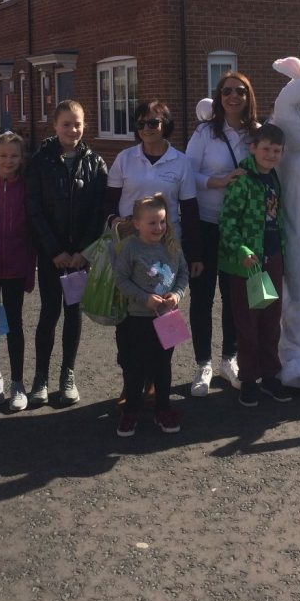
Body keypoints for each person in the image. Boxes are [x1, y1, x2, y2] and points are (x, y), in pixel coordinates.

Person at [105, 99, 203, 401]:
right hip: (128, 249)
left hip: (166, 250)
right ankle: (131, 381)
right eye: (141, 123)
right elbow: (109, 202)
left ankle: (154, 383)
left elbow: (189, 208)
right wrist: (115, 223)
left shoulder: (181, 161)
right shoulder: (124, 158)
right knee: (129, 322)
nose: (146, 128)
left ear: (166, 126)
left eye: (153, 123)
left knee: (163, 316)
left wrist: (195, 253)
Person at [25, 99, 107, 407]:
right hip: (52, 256)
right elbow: (33, 210)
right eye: (66, 124)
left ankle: (67, 373)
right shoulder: (40, 162)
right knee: (49, 313)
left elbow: (100, 212)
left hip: (79, 258)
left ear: (85, 125)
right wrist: (55, 251)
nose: (72, 129)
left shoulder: (96, 163)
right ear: (55, 126)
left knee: (73, 314)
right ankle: (41, 377)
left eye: (78, 124)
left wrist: (83, 252)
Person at [185, 73, 259, 397]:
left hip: (239, 228)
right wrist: (219, 181)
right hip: (205, 223)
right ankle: (203, 363)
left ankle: (230, 359)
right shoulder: (205, 132)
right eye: (226, 91)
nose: (233, 96)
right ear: (218, 97)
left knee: (233, 296)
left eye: (239, 91)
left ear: (248, 95)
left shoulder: (255, 133)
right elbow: (188, 175)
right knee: (202, 297)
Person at [218, 123, 292, 407]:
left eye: (276, 150)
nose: (271, 155)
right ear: (253, 148)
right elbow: (227, 222)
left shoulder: (273, 178)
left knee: (272, 321)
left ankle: (270, 375)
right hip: (246, 263)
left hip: (272, 257)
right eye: (266, 149)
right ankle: (248, 379)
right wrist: (242, 251)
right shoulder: (242, 180)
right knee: (248, 323)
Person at [112, 194, 189, 437]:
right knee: (134, 367)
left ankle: (163, 409)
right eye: (152, 223)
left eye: (162, 222)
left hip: (166, 320)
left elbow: (182, 275)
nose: (159, 228)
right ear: (136, 224)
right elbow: (120, 279)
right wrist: (144, 298)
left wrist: (176, 295)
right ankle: (131, 412)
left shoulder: (172, 247)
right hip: (135, 319)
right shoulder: (130, 248)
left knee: (162, 367)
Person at [0, 131, 37, 411]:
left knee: (15, 325)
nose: (8, 160)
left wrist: (30, 269)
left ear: (22, 158)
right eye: (3, 155)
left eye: (14, 155)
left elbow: (30, 232)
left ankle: (18, 382)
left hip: (17, 267)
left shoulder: (27, 187)